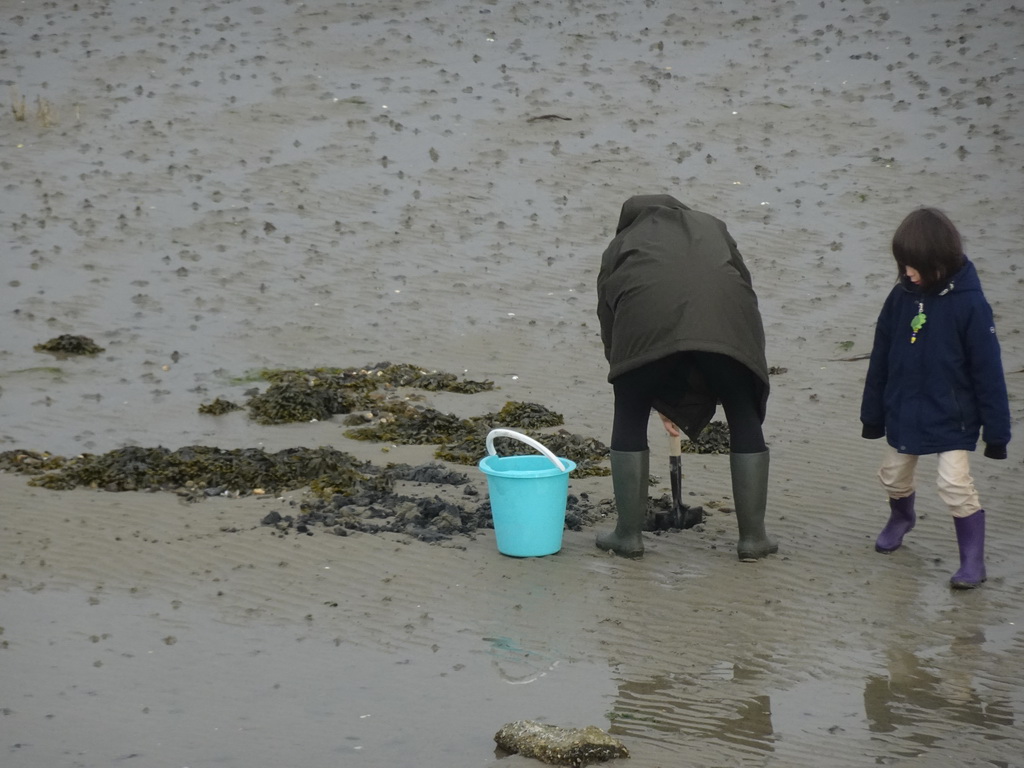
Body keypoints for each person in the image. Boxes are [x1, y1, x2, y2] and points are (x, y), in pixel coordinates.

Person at [595, 194, 777, 561]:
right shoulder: (713, 227)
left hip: (646, 325)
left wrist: (641, 384)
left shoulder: (622, 242)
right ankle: (753, 539)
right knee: (742, 409)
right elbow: (742, 288)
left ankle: (628, 536)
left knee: (629, 410)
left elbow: (610, 320)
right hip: (730, 328)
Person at [860, 207, 1010, 589]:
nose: (907, 272)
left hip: (953, 417)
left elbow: (988, 372)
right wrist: (873, 415)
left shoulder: (971, 306)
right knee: (893, 476)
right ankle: (901, 517)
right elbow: (880, 358)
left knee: (954, 485)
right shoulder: (900, 299)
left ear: (939, 262)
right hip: (904, 410)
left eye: (914, 265)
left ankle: (972, 561)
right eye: (902, 264)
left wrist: (997, 434)